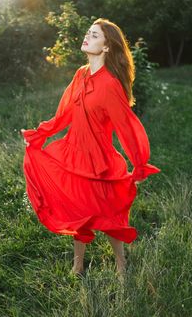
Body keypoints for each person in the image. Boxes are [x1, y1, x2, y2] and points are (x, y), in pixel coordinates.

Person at [20, 18, 160, 278]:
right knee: (77, 211)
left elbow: (127, 127)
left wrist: (139, 164)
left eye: (95, 35)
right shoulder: (81, 74)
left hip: (99, 162)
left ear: (107, 47)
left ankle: (121, 267)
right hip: (73, 154)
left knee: (110, 216)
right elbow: (63, 114)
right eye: (88, 33)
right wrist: (39, 135)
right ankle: (77, 266)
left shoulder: (110, 85)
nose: (87, 37)